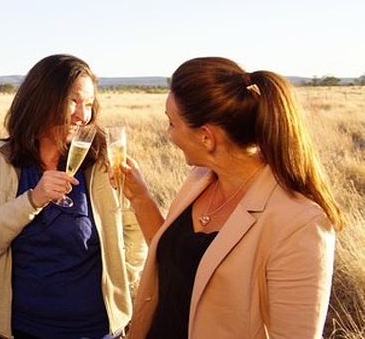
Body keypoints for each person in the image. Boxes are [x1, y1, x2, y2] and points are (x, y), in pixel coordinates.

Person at [122, 57, 344, 338]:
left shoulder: (300, 223)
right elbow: (175, 259)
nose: (169, 133)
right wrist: (140, 198)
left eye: (172, 123)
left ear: (206, 137)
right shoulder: (200, 179)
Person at [0, 54, 146, 339]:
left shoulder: (103, 161)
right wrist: (32, 200)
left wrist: (119, 279)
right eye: (73, 101)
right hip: (18, 329)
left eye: (88, 104)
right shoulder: (0, 160)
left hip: (95, 331)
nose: (82, 115)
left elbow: (135, 230)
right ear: (42, 99)